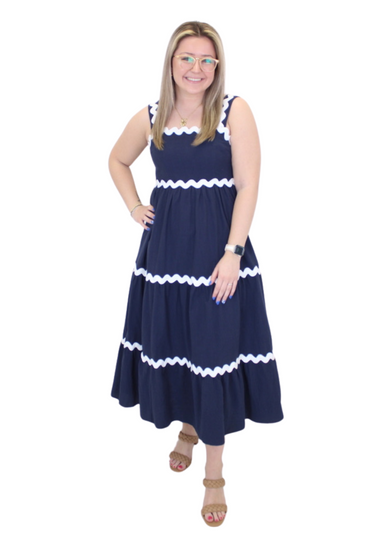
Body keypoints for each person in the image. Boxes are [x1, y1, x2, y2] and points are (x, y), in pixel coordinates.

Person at [109, 21, 283, 527]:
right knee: (181, 343)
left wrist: (233, 253)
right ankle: (188, 427)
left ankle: (214, 473)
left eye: (208, 60)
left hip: (217, 254)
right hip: (165, 256)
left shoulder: (233, 111)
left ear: (218, 66)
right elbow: (117, 160)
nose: (197, 68)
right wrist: (134, 205)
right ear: (171, 62)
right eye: (187, 57)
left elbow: (248, 185)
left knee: (213, 352)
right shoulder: (151, 115)